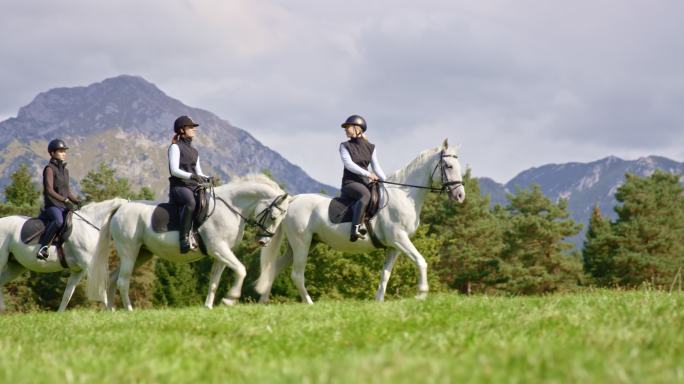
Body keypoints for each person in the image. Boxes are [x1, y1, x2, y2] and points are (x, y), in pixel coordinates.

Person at [339, 115, 386, 242]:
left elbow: (376, 167)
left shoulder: (371, 147)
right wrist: (368, 174)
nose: (345, 130)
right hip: (350, 183)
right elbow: (349, 165)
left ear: (357, 128)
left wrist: (385, 181)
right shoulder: (344, 146)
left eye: (347, 127)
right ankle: (355, 229)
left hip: (365, 182)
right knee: (365, 195)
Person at [168, 115, 211, 253]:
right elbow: (174, 171)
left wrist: (209, 178)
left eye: (194, 127)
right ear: (181, 130)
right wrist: (192, 176)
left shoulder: (194, 151)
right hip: (179, 187)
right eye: (191, 127)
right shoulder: (175, 147)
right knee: (190, 203)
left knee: (207, 202)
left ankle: (197, 232)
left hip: (192, 186)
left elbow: (199, 172)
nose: (194, 130)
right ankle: (183, 239)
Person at [37, 139, 82, 260]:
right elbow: (49, 190)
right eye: (61, 151)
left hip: (63, 205)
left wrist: (77, 201)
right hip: (52, 206)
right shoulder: (49, 169)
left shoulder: (65, 171)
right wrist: (65, 200)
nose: (64, 153)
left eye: (64, 151)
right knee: (58, 221)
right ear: (52, 153)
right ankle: (43, 248)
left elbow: (67, 192)